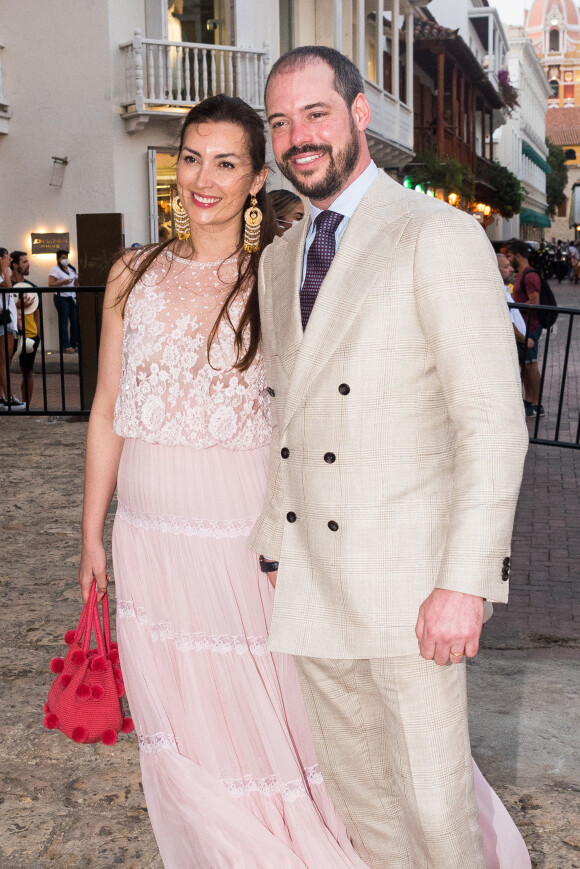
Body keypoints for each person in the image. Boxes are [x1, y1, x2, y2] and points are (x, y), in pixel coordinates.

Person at [250, 46, 530, 869]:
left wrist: (466, 583)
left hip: (411, 589)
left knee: (434, 810)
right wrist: (274, 540)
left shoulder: (435, 235)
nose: (297, 136)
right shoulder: (278, 259)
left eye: (314, 114)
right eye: (280, 122)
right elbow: (285, 413)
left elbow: (492, 423)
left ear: (359, 113)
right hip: (311, 577)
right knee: (362, 800)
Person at [77, 94, 369, 868]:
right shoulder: (129, 273)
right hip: (146, 529)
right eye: (192, 157)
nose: (204, 178)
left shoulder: (276, 277)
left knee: (259, 704)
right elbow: (107, 408)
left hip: (239, 527)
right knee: (179, 714)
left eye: (226, 162)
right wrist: (91, 533)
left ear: (255, 177)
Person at [508, 240, 544, 417]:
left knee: (531, 365)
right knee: (526, 365)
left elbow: (534, 302)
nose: (508, 260)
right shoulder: (520, 274)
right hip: (524, 326)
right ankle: (529, 399)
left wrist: (515, 305)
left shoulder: (529, 275)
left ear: (517, 255)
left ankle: (537, 403)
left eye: (509, 256)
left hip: (531, 325)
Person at [497, 252, 534, 366]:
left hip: (520, 345)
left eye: (510, 265)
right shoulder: (499, 293)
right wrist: (524, 339)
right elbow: (508, 323)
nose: (512, 269)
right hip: (516, 345)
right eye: (506, 267)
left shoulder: (506, 290)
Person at [0, 247, 25, 410]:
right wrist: (4, 268)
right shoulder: (2, 275)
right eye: (6, 257)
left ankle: (3, 397)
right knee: (3, 360)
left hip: (7, 320)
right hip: (2, 321)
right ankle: (8, 397)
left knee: (4, 360)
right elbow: (9, 288)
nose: (9, 260)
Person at [13, 285, 41, 405]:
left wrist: (39, 333)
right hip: (14, 334)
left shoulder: (30, 286)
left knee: (27, 370)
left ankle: (26, 405)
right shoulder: (7, 285)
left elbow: (36, 312)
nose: (27, 264)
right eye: (24, 263)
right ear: (15, 265)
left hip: (30, 335)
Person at [48, 250, 78, 353]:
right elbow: (50, 284)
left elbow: (75, 282)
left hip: (72, 297)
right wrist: (62, 282)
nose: (65, 259)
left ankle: (74, 343)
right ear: (58, 259)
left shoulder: (71, 269)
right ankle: (66, 345)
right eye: (63, 257)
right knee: (64, 321)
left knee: (74, 321)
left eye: (66, 257)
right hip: (61, 297)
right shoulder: (54, 270)